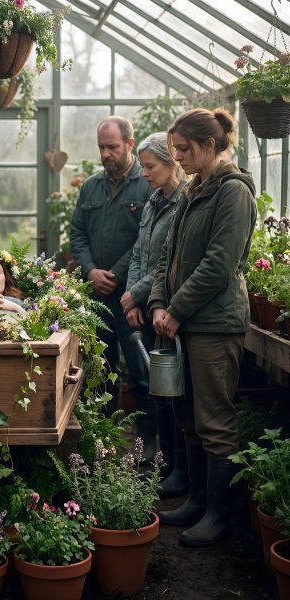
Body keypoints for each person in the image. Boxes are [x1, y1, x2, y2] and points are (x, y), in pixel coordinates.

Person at [148, 108, 256, 547]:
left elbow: (218, 265)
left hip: (214, 324)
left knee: (214, 420)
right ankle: (196, 501)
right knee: (188, 414)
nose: (178, 157)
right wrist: (158, 301)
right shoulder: (194, 191)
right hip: (183, 322)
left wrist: (174, 310)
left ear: (210, 146)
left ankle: (219, 514)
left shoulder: (233, 192)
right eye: (174, 150)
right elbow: (167, 254)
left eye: (184, 149)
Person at [70, 116, 152, 415]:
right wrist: (90, 270)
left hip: (132, 295)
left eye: (112, 147)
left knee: (141, 370)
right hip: (96, 295)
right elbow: (77, 232)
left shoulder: (146, 184)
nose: (105, 154)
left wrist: (115, 273)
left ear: (130, 144)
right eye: (101, 147)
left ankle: (148, 444)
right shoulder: (91, 187)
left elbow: (147, 239)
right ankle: (105, 435)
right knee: (100, 370)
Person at [121, 132, 188, 487]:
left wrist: (137, 294)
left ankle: (174, 470)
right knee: (155, 389)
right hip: (149, 305)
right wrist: (133, 294)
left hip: (169, 308)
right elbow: (138, 253)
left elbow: (169, 261)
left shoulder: (183, 203)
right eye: (144, 166)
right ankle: (164, 465)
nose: (144, 173)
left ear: (171, 162)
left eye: (150, 166)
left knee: (170, 393)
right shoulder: (152, 202)